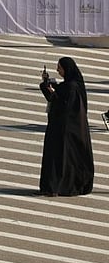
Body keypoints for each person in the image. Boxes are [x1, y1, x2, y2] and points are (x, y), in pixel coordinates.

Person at [39, 57, 94, 197]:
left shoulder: (71, 87)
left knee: (59, 158)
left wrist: (50, 91)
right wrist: (48, 85)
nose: (57, 70)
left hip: (64, 130)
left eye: (60, 68)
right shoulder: (74, 85)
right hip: (72, 130)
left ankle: (56, 187)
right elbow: (59, 94)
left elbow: (61, 104)